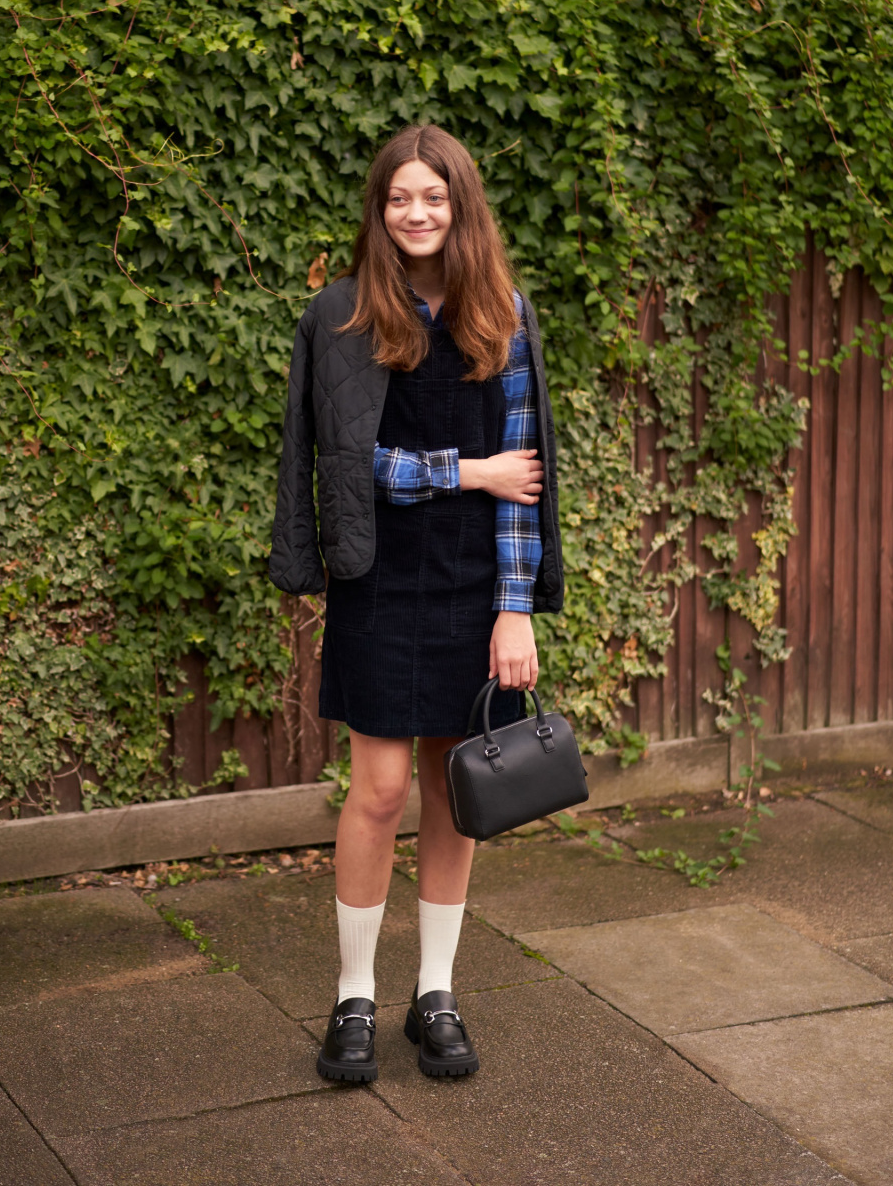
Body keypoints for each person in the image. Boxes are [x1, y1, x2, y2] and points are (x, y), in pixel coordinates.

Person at [270, 123, 563, 1082]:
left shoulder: (505, 314)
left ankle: (433, 993)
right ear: (380, 210)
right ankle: (353, 993)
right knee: (380, 790)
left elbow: (525, 480)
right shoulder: (344, 316)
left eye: (433, 197)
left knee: (454, 790)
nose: (417, 212)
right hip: (379, 576)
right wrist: (468, 469)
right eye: (400, 197)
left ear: (460, 205)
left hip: (477, 587)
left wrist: (514, 606)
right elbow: (349, 465)